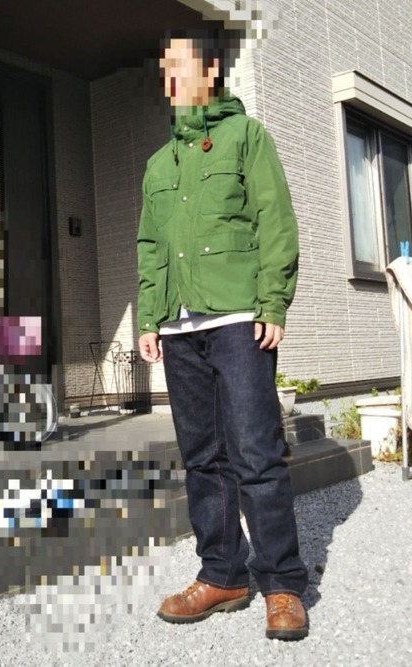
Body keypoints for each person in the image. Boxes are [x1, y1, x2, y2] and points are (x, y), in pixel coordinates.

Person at [137, 27, 309, 641]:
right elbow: (151, 246)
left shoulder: (246, 136)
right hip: (179, 327)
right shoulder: (159, 164)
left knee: (256, 452)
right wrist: (149, 317)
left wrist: (273, 301)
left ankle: (283, 583)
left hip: (238, 318)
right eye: (165, 71)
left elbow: (274, 220)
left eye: (180, 67)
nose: (171, 80)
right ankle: (223, 574)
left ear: (209, 74)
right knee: (202, 458)